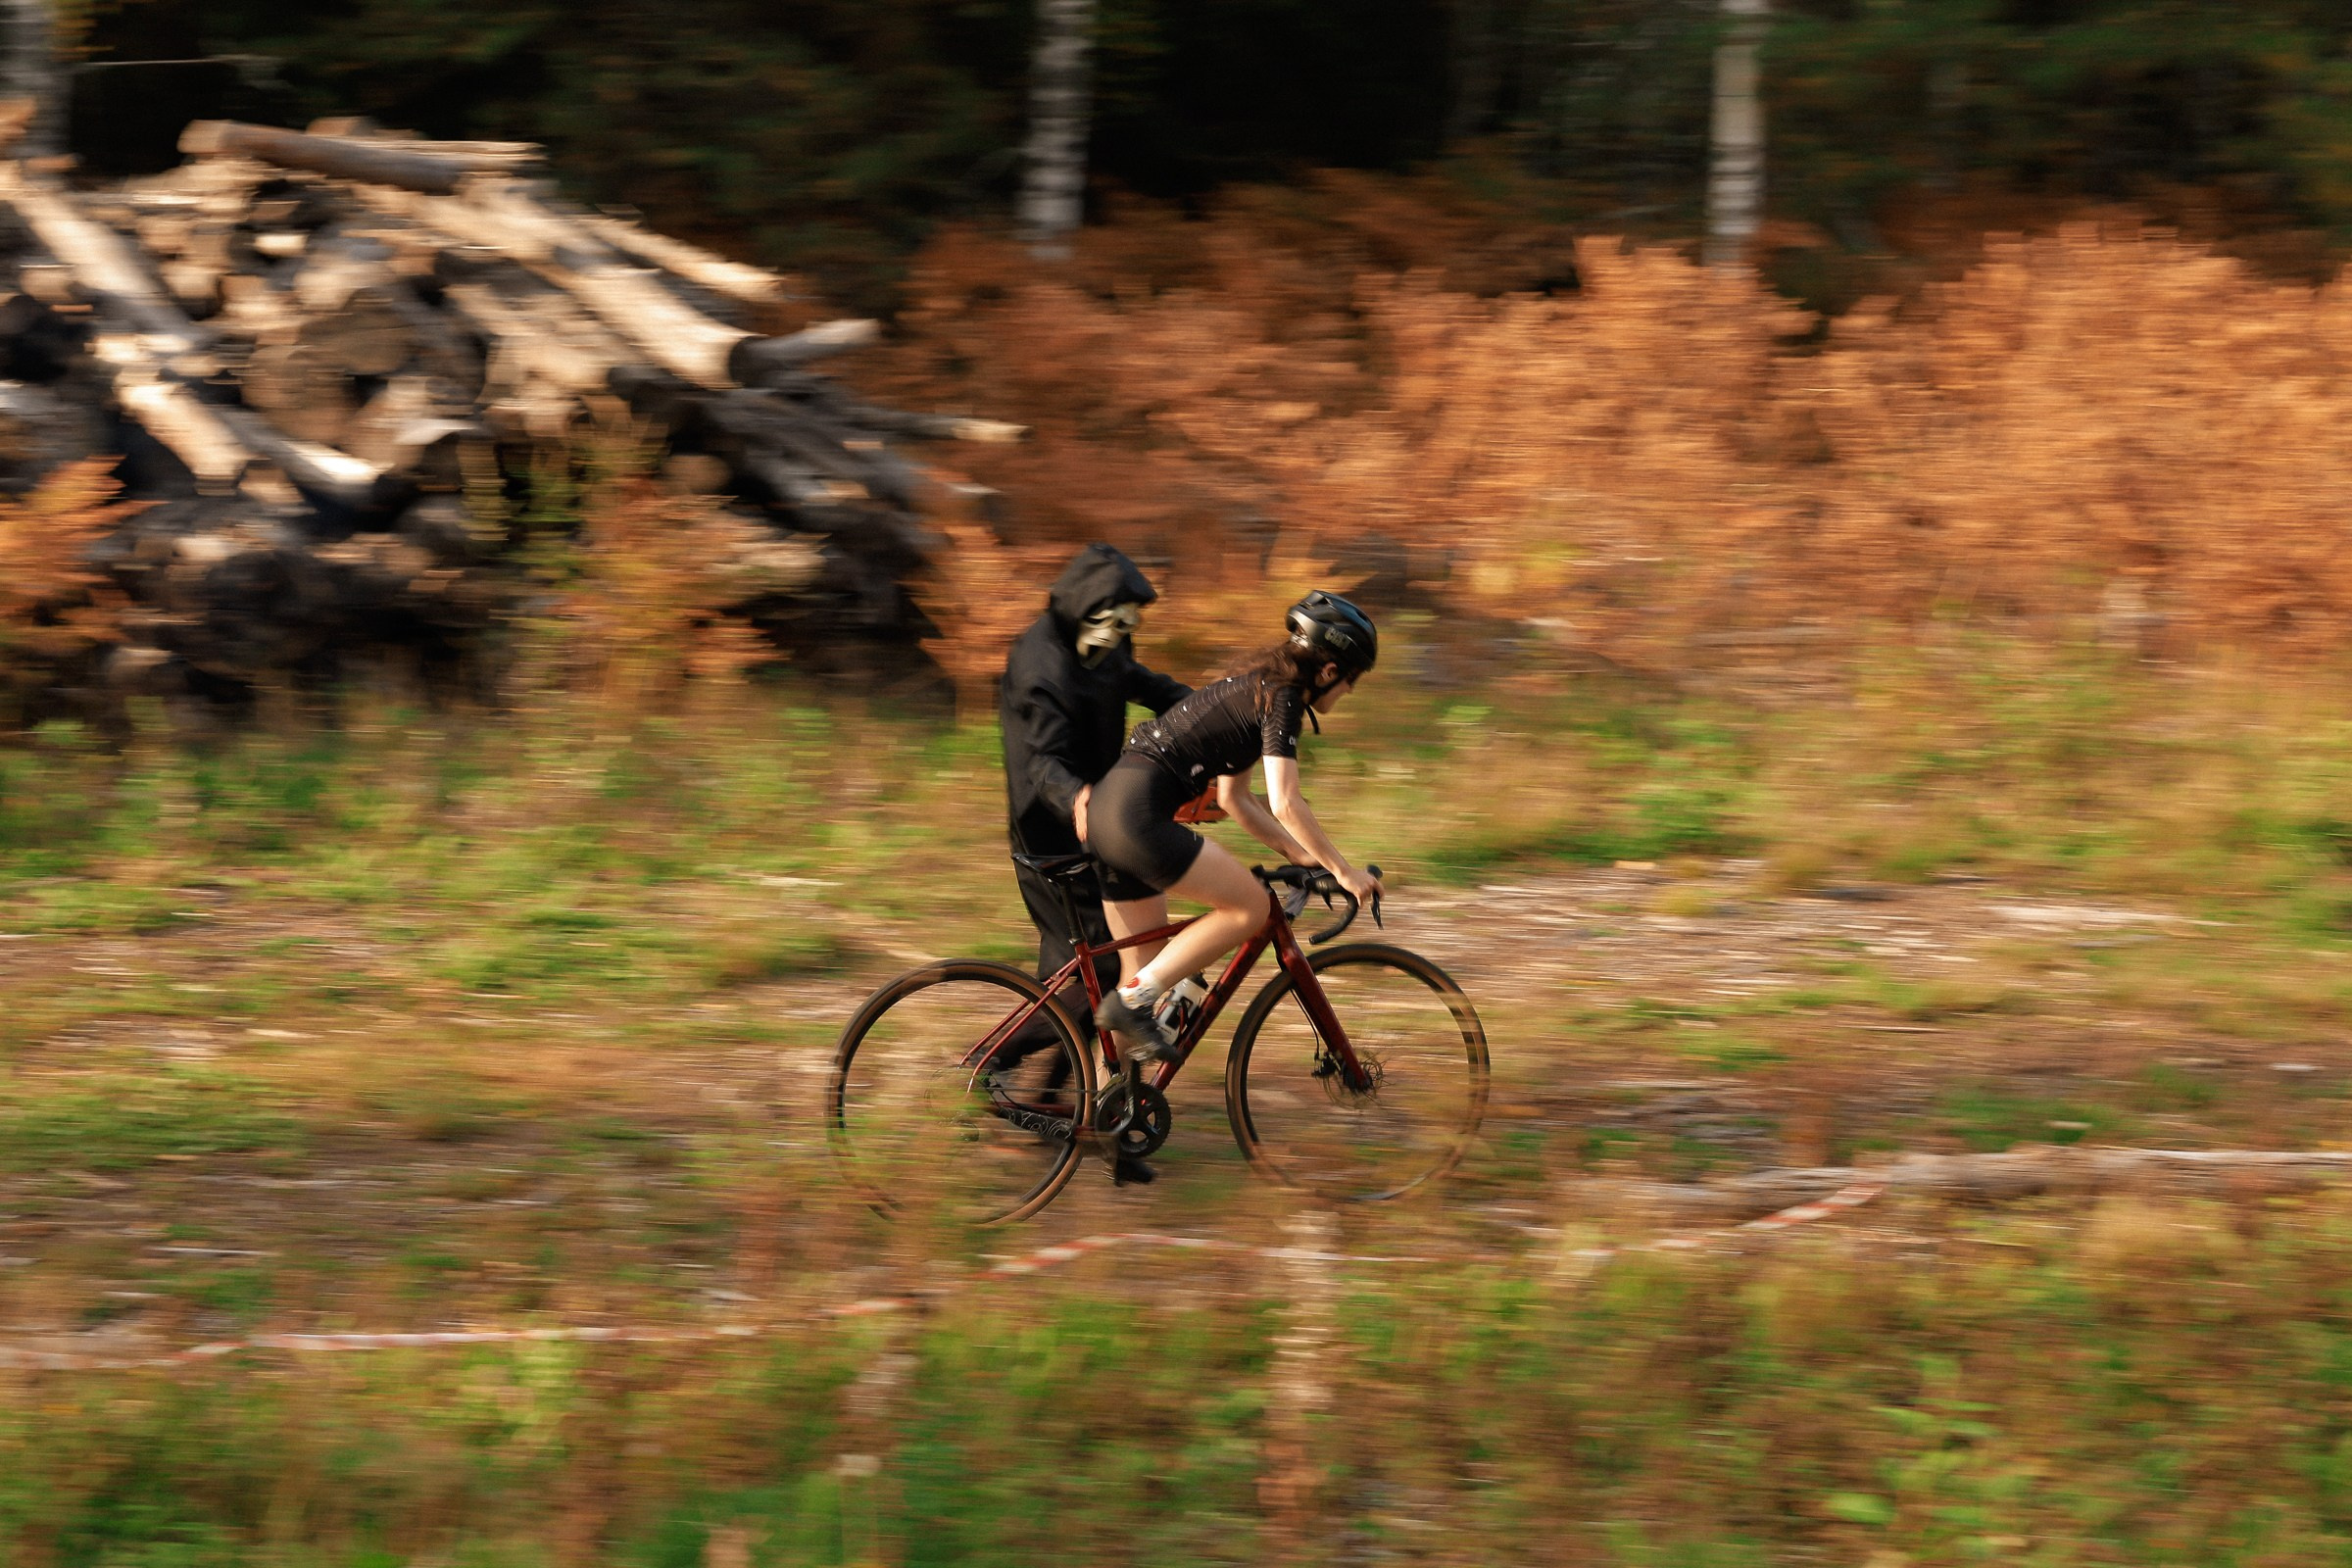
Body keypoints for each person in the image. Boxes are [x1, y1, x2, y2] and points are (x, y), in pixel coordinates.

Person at [1084, 591, 1384, 1060]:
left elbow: (1235, 799)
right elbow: (1285, 801)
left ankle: (1095, 1119)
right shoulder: (1282, 699)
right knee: (1251, 909)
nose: (1348, 692)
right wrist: (1344, 870)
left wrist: (1300, 856)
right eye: (1351, 681)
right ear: (1328, 672)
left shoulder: (1255, 686)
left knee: (1144, 967)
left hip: (1108, 811)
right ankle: (1133, 1003)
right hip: (1139, 817)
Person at [1000, 543, 1192, 1015]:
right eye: (1118, 623)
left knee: (1094, 972)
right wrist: (1077, 797)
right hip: (1052, 829)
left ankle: (1069, 1086)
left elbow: (1141, 682)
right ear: (1089, 608)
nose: (1123, 636)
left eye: (1131, 625)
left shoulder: (1106, 639)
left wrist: (1214, 710)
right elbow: (1041, 761)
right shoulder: (1039, 666)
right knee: (1104, 971)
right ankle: (995, 1062)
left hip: (1104, 819)